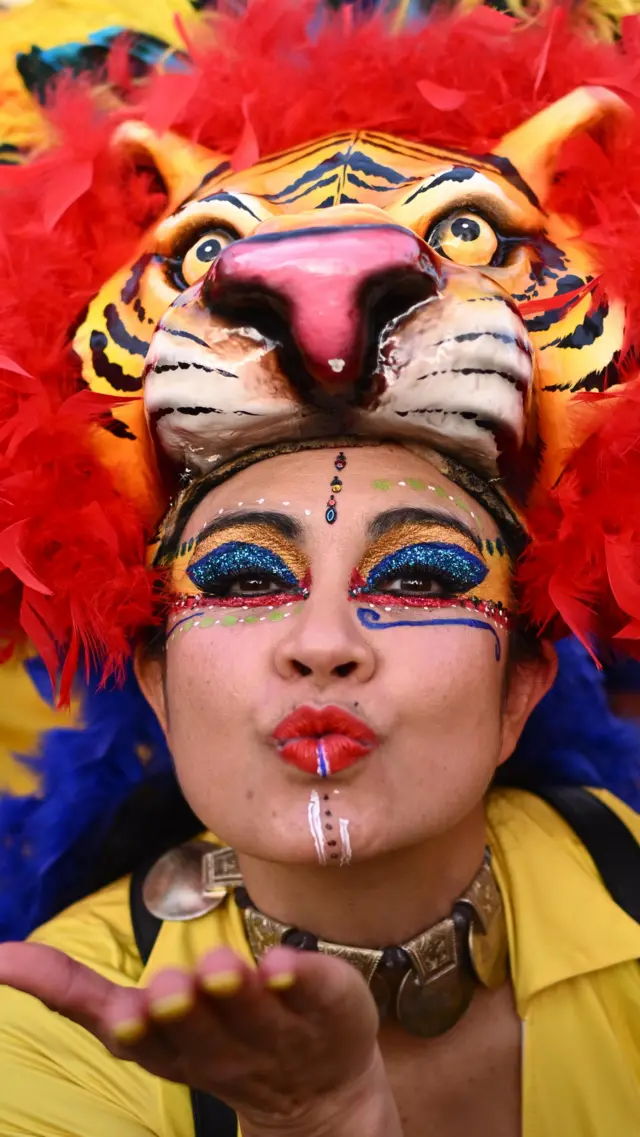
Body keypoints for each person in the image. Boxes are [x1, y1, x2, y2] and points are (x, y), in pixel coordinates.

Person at [0, 1, 639, 1135]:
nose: (324, 642)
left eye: (425, 578)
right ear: (152, 676)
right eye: (244, 580)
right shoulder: (36, 1034)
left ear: (521, 690)